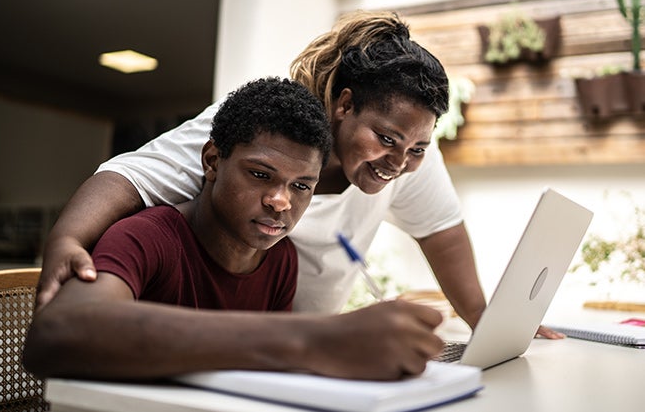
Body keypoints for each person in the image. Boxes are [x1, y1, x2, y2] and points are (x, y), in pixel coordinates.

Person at [35, 10, 560, 338]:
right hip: (269, 343)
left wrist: (486, 324)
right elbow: (132, 175)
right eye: (387, 140)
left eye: (417, 148)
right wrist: (66, 237)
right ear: (344, 106)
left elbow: (441, 232)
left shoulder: (282, 260)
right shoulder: (262, 129)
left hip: (283, 342)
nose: (399, 163)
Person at [23, 77, 445, 381]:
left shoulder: (280, 260)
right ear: (211, 162)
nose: (281, 201)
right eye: (260, 175)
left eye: (301, 186)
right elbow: (55, 335)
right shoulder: (145, 237)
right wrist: (310, 339)